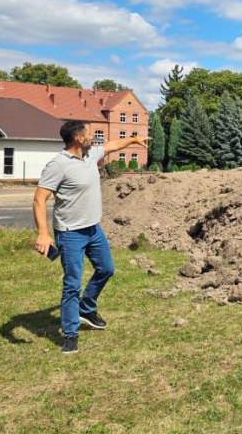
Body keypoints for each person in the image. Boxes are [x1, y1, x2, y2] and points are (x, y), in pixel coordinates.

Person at [33, 120, 149, 354]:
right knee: (72, 284)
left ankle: (86, 308)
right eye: (89, 133)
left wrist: (134, 140)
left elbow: (111, 146)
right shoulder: (58, 165)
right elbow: (39, 199)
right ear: (78, 138)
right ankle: (70, 333)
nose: (92, 137)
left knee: (106, 269)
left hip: (93, 229)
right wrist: (44, 234)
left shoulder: (90, 154)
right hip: (70, 233)